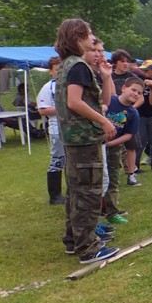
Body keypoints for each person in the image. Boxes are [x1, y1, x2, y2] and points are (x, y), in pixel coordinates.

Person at [54, 19, 119, 264]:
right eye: (89, 33)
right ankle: (88, 248)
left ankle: (73, 240)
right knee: (88, 193)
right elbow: (74, 102)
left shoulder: (66, 65)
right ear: (77, 37)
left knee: (75, 191)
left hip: (73, 138)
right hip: (84, 138)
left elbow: (93, 101)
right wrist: (103, 121)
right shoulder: (79, 65)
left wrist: (105, 79)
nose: (93, 38)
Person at [102, 77, 141, 225]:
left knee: (113, 180)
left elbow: (128, 135)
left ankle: (112, 212)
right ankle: (97, 209)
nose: (136, 94)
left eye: (139, 93)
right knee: (97, 179)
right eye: (133, 90)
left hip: (114, 148)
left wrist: (110, 144)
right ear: (124, 88)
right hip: (96, 145)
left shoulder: (133, 113)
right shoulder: (110, 101)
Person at [36, 57, 66, 203]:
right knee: (58, 159)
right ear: (50, 71)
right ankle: (55, 195)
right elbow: (42, 110)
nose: (60, 73)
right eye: (57, 70)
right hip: (56, 128)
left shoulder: (69, 85)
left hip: (71, 128)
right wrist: (63, 108)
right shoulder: (48, 88)